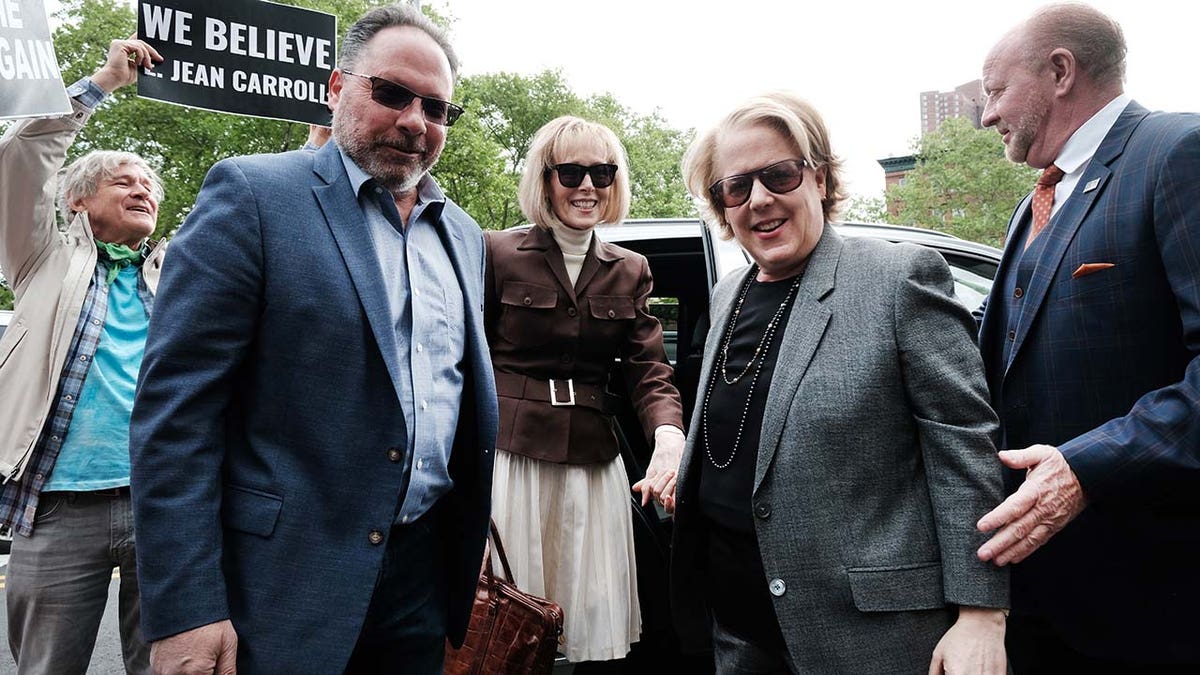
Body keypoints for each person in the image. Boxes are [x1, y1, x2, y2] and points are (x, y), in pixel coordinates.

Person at [128, 5, 497, 674]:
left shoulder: (465, 237)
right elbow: (176, 419)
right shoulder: (253, 195)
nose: (415, 120)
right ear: (335, 87)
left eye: (437, 108)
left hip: (420, 577)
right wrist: (186, 607)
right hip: (279, 585)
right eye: (390, 93)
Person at [672, 91, 1009, 674]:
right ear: (721, 206)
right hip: (740, 632)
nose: (760, 199)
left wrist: (982, 613)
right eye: (736, 187)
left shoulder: (898, 278)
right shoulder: (728, 295)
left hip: (865, 638)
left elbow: (964, 450)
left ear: (820, 179)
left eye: (778, 175)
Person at [974, 4, 1200, 672]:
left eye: (995, 90)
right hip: (1039, 599)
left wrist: (1085, 468)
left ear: (1061, 71)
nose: (987, 114)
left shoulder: (1176, 152)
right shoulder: (1034, 202)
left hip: (1151, 604)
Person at [483, 116, 686, 668]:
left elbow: (649, 369)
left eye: (602, 171)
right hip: (512, 459)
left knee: (587, 620)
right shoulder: (495, 253)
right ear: (545, 180)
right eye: (570, 171)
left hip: (593, 462)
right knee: (504, 619)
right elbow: (463, 361)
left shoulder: (631, 269)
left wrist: (669, 437)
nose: (587, 186)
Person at [0, 37, 164, 675]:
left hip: (162, 502)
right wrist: (100, 85)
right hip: (58, 506)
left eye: (148, 183)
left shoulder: (173, 271)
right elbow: (18, 156)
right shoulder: (40, 255)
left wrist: (318, 145)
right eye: (123, 180)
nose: (142, 188)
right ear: (76, 200)